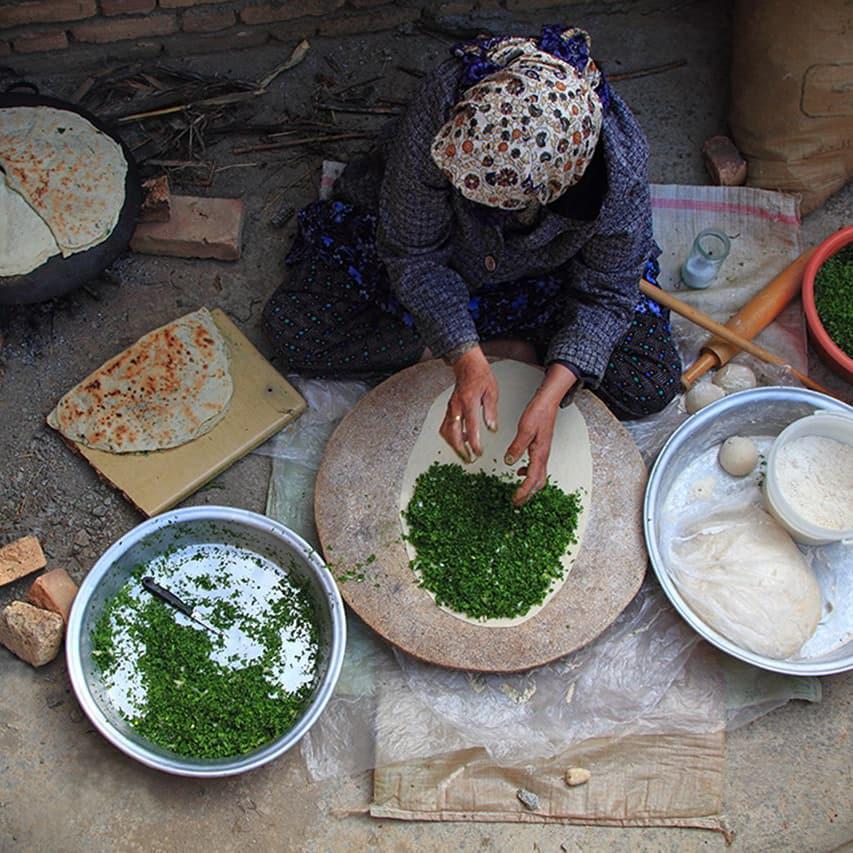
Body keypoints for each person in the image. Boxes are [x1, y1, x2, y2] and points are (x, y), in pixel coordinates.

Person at [263, 25, 681, 505]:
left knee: (651, 380)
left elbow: (607, 293)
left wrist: (553, 391)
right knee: (294, 328)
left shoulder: (615, 177)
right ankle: (486, 353)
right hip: (443, 260)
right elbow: (413, 251)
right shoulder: (453, 107)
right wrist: (462, 354)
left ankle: (521, 352)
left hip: (543, 282)